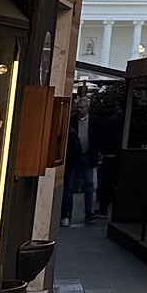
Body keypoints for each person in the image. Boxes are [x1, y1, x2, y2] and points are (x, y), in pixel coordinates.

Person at [60, 95, 96, 227]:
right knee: (69, 185)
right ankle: (67, 213)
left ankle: (88, 211)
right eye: (78, 107)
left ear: (87, 108)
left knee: (89, 183)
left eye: (82, 107)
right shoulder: (71, 121)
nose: (79, 109)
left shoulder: (94, 121)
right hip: (74, 157)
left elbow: (96, 139)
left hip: (87, 155)